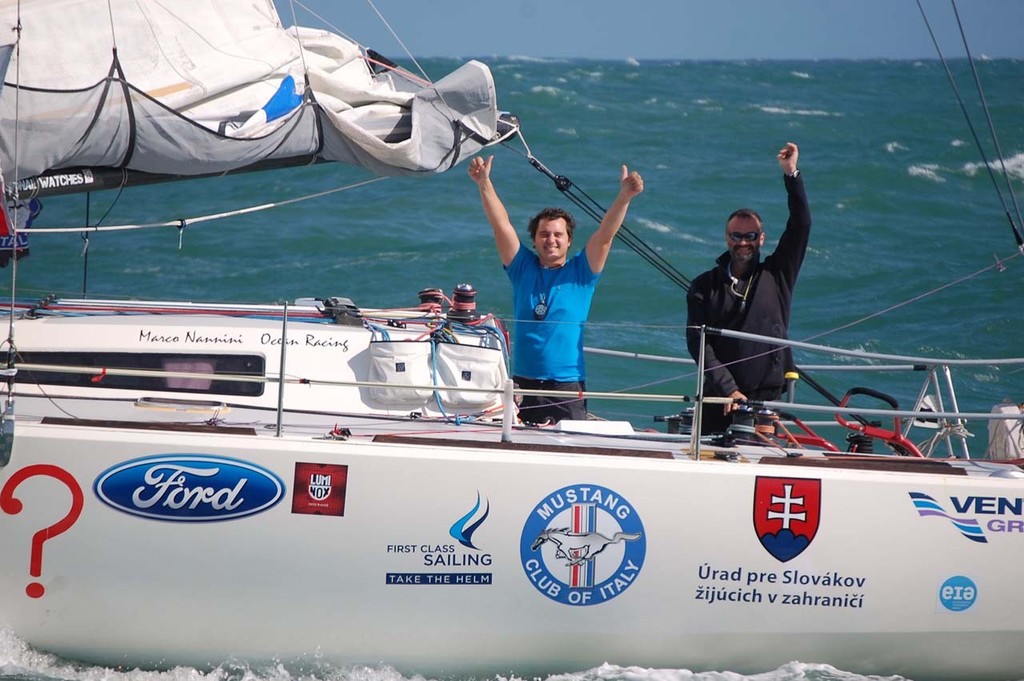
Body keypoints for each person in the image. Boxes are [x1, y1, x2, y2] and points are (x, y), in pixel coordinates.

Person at [468, 155, 644, 425]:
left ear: (569, 240)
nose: (551, 240)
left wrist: (625, 197)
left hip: (567, 384)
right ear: (535, 240)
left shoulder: (582, 272)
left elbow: (605, 235)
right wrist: (484, 183)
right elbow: (501, 225)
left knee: (569, 453)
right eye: (544, 234)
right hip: (523, 384)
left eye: (558, 235)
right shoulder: (522, 268)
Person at [685, 142, 810, 434]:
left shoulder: (778, 274)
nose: (743, 242)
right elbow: (698, 343)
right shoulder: (704, 285)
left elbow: (801, 224)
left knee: (760, 460)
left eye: (750, 235)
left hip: (765, 397)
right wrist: (728, 389)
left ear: (761, 239)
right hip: (718, 394)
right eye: (736, 236)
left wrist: (791, 174)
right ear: (726, 238)